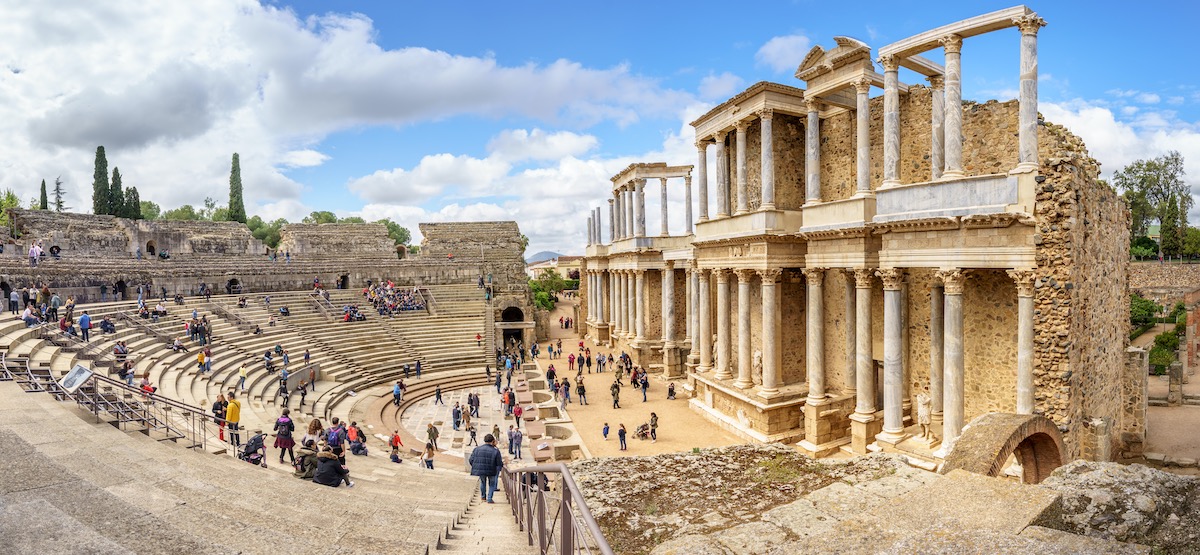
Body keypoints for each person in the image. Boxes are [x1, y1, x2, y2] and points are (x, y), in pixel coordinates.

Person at [468, 434, 504, 503]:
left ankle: (483, 497)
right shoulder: (495, 451)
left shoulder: (477, 449)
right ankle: (489, 498)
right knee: (492, 484)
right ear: (492, 441)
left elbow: (471, 460)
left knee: (483, 482)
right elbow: (499, 463)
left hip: (481, 470)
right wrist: (498, 469)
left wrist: (476, 466)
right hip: (492, 470)